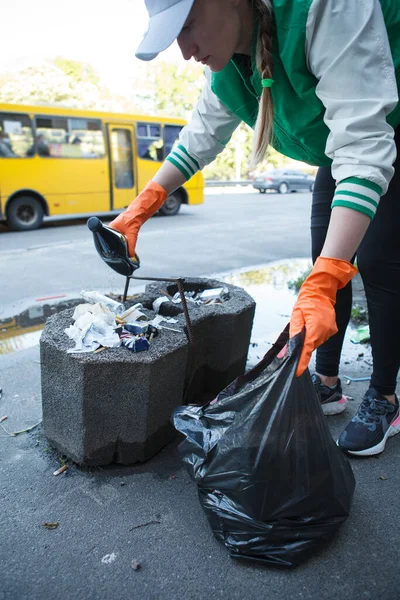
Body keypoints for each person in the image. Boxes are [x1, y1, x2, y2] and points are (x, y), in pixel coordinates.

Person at [109, 0, 400, 456]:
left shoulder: (322, 8)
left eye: (187, 26)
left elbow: (364, 145)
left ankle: (384, 398)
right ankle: (326, 382)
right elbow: (201, 137)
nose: (185, 51)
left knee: (379, 268)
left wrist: (329, 274)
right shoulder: (229, 62)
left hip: (385, 129)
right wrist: (138, 210)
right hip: (336, 147)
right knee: (322, 264)